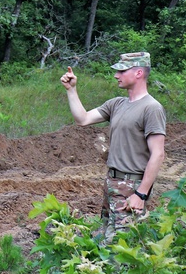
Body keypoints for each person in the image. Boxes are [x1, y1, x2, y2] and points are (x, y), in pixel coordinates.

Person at [60, 52, 166, 240]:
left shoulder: (152, 108)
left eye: (122, 71)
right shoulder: (117, 104)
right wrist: (71, 90)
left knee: (120, 247)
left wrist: (140, 194)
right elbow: (83, 119)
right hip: (112, 183)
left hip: (131, 186)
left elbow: (157, 154)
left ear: (139, 73)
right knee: (105, 240)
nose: (116, 75)